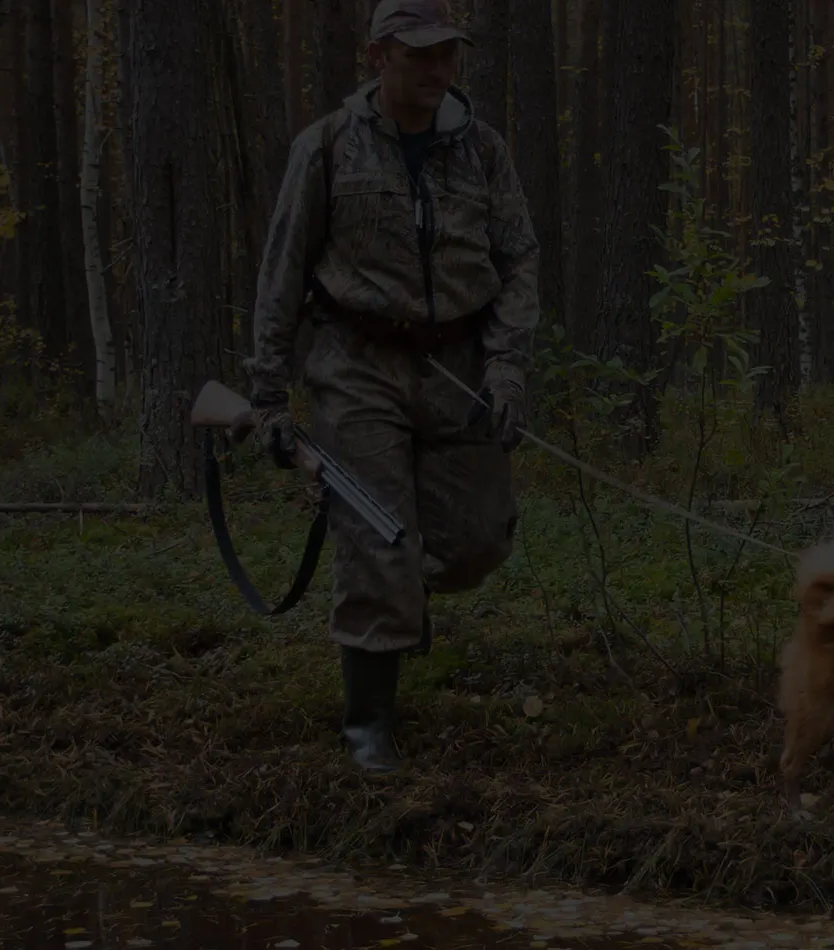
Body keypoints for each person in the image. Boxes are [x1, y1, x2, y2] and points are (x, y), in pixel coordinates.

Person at [240, 0, 540, 773]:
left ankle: (404, 602)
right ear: (379, 56)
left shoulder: (484, 152)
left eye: (448, 54)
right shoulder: (328, 148)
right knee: (376, 536)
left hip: (458, 368)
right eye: (420, 55)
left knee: (477, 540)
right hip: (355, 364)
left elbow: (518, 263)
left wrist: (506, 367)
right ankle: (368, 725)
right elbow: (281, 275)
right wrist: (269, 396)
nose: (439, 69)